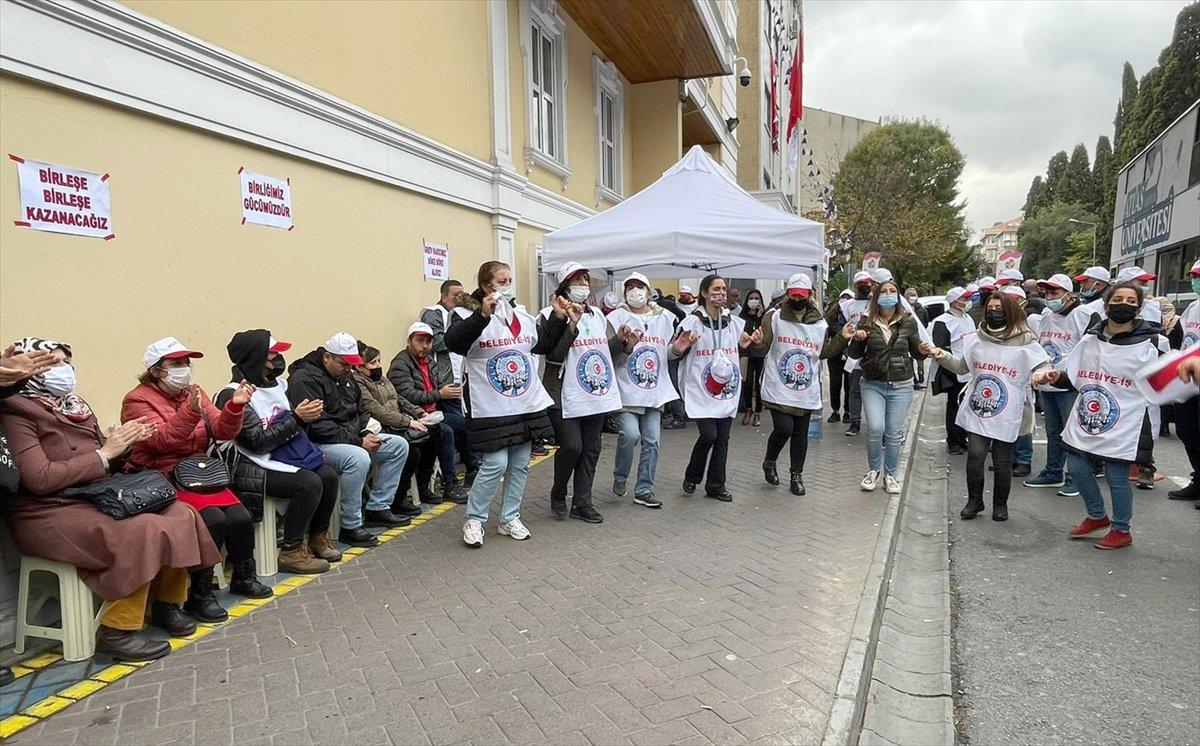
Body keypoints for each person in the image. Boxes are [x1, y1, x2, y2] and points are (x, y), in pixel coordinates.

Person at [1, 338, 223, 661]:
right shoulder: (16, 410)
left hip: (92, 495)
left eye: (65, 362)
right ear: (26, 370)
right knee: (144, 529)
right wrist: (104, 455)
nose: (63, 369)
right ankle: (117, 629)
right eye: (51, 363)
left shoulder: (76, 405)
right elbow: (40, 478)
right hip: (47, 511)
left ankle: (166, 605)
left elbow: (106, 455)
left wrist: (126, 444)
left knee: (180, 513)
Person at [123, 337, 271, 623]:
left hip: (200, 473)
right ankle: (199, 594)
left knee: (240, 516)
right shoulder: (137, 400)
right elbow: (160, 442)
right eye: (176, 363)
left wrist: (235, 407)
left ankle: (243, 577)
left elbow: (222, 430)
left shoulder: (194, 392)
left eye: (186, 362)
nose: (184, 368)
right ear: (156, 370)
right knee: (212, 518)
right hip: (163, 475)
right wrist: (190, 411)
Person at [444, 260, 570, 547]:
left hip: (523, 401)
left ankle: (509, 517)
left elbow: (540, 344)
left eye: (509, 280)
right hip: (488, 402)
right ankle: (475, 519)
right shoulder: (465, 313)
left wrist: (558, 318)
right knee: (495, 463)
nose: (508, 284)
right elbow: (455, 342)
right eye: (502, 281)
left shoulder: (519, 313)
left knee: (520, 463)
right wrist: (482, 315)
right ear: (486, 284)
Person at [1033, 282, 1164, 549]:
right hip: (1087, 416)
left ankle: (1121, 529)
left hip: (1124, 422)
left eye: (1131, 301)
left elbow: (1162, 382)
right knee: (1077, 468)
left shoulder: (1151, 342)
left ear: (1139, 308)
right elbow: (1073, 377)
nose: (1124, 305)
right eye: (1118, 299)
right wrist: (1054, 377)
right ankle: (1097, 516)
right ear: (1106, 305)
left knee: (1116, 476)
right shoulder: (1090, 339)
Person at [214, 330, 339, 575]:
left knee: (328, 475)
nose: (278, 359)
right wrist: (297, 418)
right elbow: (256, 443)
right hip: (252, 465)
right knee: (309, 483)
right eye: (273, 354)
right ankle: (291, 551)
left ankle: (317, 537)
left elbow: (291, 427)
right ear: (256, 358)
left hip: (284, 454)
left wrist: (304, 417)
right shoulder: (233, 394)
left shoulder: (279, 386)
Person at [924, 293, 1048, 521]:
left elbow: (1042, 365)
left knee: (1002, 460)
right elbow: (962, 367)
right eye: (990, 308)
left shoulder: (1026, 340)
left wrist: (1041, 375)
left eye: (999, 308)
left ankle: (1000, 505)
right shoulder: (976, 339)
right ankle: (974, 501)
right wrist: (942, 356)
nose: (994, 312)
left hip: (1008, 412)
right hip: (978, 409)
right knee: (975, 455)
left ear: (1009, 311)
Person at [287, 332, 411, 548]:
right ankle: (350, 525)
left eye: (352, 365)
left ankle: (378, 507)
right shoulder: (304, 379)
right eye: (344, 364)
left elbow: (361, 410)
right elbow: (318, 427)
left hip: (350, 437)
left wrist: (366, 432)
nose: (348, 369)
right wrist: (358, 441)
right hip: (317, 444)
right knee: (358, 459)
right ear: (327, 357)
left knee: (398, 446)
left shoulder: (345, 375)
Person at [540, 262, 623, 524]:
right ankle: (558, 492)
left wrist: (621, 341)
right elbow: (553, 356)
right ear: (565, 286)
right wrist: (570, 326)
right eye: (577, 281)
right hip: (562, 392)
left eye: (585, 280)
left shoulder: (597, 315)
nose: (583, 285)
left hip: (592, 393)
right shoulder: (549, 315)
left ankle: (582, 502)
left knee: (591, 449)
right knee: (572, 447)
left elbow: (601, 351)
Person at [831, 280, 928, 494]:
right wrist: (858, 339)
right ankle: (873, 470)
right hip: (872, 383)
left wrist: (922, 349)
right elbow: (854, 354)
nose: (888, 294)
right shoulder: (866, 320)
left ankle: (890, 475)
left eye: (892, 291)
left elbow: (916, 351)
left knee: (893, 432)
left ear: (898, 296)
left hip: (901, 384)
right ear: (876, 297)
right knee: (876, 428)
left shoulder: (908, 321)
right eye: (884, 291)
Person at [673, 274, 758, 501]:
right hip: (701, 390)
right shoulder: (692, 322)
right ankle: (693, 475)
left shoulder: (732, 322)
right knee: (709, 435)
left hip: (725, 390)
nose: (720, 293)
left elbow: (734, 350)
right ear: (704, 293)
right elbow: (676, 351)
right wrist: (682, 346)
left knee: (723, 438)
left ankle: (716, 484)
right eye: (716, 289)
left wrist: (745, 346)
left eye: (723, 289)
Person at [752, 274, 837, 496]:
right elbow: (763, 348)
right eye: (793, 294)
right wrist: (757, 343)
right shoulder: (774, 317)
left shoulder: (819, 322)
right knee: (784, 428)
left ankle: (796, 475)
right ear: (787, 294)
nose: (797, 298)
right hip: (779, 385)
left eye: (802, 295)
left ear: (809, 295)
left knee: (800, 433)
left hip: (804, 387)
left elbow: (823, 352)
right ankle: (770, 461)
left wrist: (843, 338)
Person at [606, 272, 681, 509]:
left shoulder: (665, 318)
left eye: (640, 287)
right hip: (627, 391)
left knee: (652, 441)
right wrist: (624, 345)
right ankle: (620, 477)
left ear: (649, 292)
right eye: (630, 287)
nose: (635, 291)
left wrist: (678, 350)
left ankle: (644, 489)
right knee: (630, 435)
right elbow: (608, 355)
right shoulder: (615, 318)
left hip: (654, 392)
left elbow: (666, 353)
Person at [389, 322, 474, 504]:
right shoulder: (400, 364)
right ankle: (449, 484)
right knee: (445, 432)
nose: (425, 346)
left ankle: (473, 469)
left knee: (466, 423)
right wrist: (440, 394)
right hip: (414, 415)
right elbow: (407, 396)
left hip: (434, 413)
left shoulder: (430, 362)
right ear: (409, 341)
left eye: (428, 342)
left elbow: (437, 388)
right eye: (420, 341)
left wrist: (453, 393)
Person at [1023, 274, 1093, 496]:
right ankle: (1054, 472)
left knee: (1073, 432)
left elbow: (1091, 349)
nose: (1050, 297)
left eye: (1055, 293)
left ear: (1068, 294)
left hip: (1070, 384)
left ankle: (1076, 477)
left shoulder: (1083, 315)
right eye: (1047, 293)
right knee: (1053, 431)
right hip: (1048, 382)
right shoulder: (1046, 315)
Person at [354, 341, 440, 515]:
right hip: (384, 426)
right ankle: (397, 498)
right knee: (412, 451)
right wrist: (407, 422)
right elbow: (376, 410)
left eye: (379, 361)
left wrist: (419, 412)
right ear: (359, 367)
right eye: (372, 363)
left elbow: (399, 398)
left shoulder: (382, 379)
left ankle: (423, 487)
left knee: (436, 433)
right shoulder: (359, 383)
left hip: (399, 422)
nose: (378, 366)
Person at [1168, 259, 1200, 502]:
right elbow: (1179, 338)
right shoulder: (1193, 307)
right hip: (1187, 382)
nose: (1196, 280)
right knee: (1187, 430)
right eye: (1194, 276)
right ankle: (1198, 479)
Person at [929, 287, 975, 455]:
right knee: (954, 405)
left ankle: (963, 438)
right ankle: (953, 441)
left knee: (966, 405)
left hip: (970, 369)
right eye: (965, 298)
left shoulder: (968, 318)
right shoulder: (943, 321)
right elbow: (939, 348)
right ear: (955, 302)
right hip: (953, 370)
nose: (968, 302)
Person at [839, 271, 875, 435]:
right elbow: (840, 328)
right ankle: (855, 422)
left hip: (874, 352)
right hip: (854, 352)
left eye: (867, 284)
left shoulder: (876, 303)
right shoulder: (846, 306)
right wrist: (846, 350)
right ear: (855, 286)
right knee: (854, 389)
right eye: (861, 285)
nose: (865, 287)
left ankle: (874, 423)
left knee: (874, 389)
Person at [824, 289, 854, 423]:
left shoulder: (855, 316)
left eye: (848, 298)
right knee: (835, 384)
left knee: (849, 385)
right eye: (843, 297)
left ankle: (848, 411)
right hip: (835, 355)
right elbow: (827, 333)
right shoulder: (831, 316)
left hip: (850, 355)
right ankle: (835, 411)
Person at [739, 288, 767, 426]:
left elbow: (764, 331)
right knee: (747, 383)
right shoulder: (742, 315)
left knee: (759, 383)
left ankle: (757, 412)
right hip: (746, 354)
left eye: (756, 298)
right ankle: (748, 409)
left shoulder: (764, 316)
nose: (754, 301)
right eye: (751, 298)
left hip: (760, 355)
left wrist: (760, 316)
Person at [904, 288, 929, 389]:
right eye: (910, 295)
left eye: (914, 295)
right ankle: (914, 380)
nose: (912, 297)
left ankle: (920, 377)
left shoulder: (922, 309)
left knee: (920, 358)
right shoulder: (903, 308)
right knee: (909, 361)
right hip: (907, 339)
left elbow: (926, 323)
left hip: (918, 339)